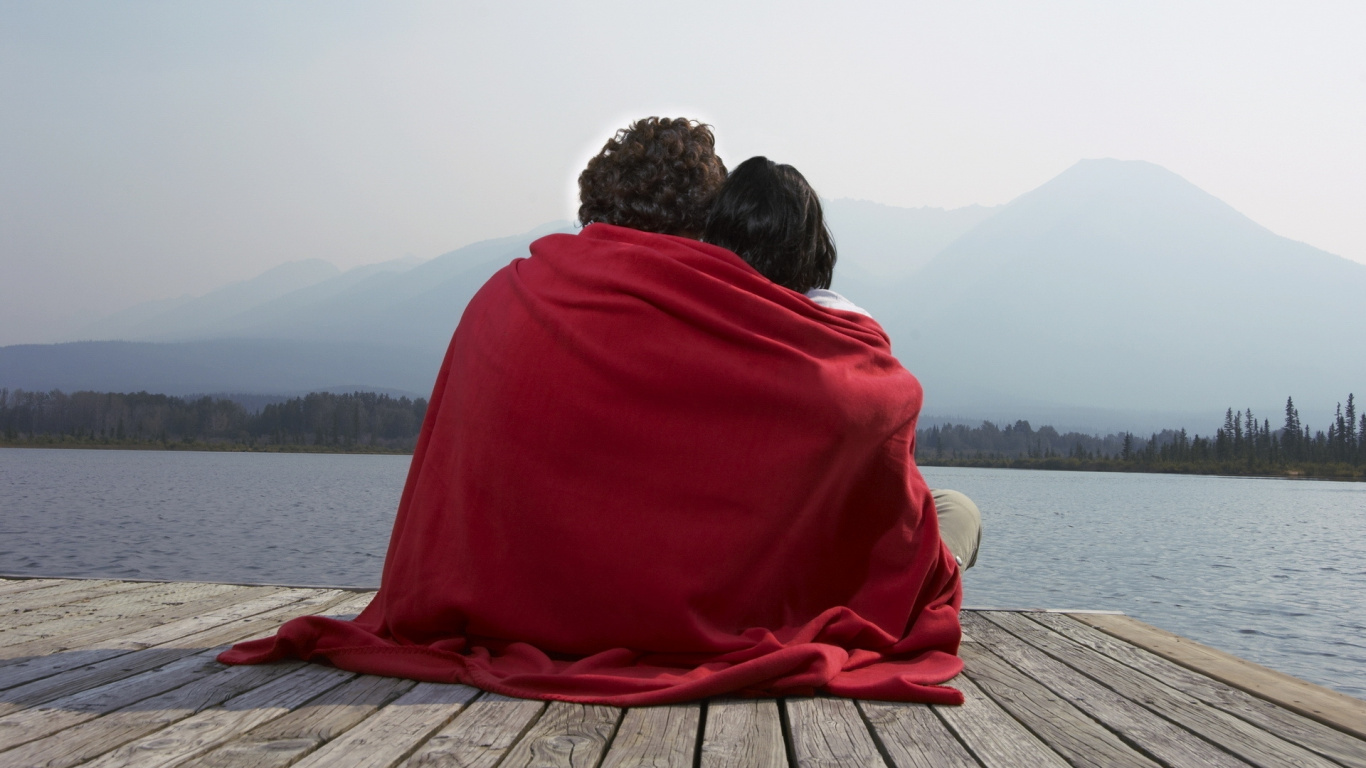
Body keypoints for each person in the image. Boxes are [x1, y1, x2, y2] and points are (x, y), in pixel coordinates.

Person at [219, 117, 968, 706]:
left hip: (503, 612)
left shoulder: (506, 295)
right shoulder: (731, 326)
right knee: (950, 515)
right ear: (703, 227)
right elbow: (880, 402)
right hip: (696, 610)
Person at [703, 155, 981, 571]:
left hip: (729, 547)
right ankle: (933, 581)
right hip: (823, 560)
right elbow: (892, 484)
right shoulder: (852, 339)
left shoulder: (694, 320)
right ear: (812, 247)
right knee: (959, 508)